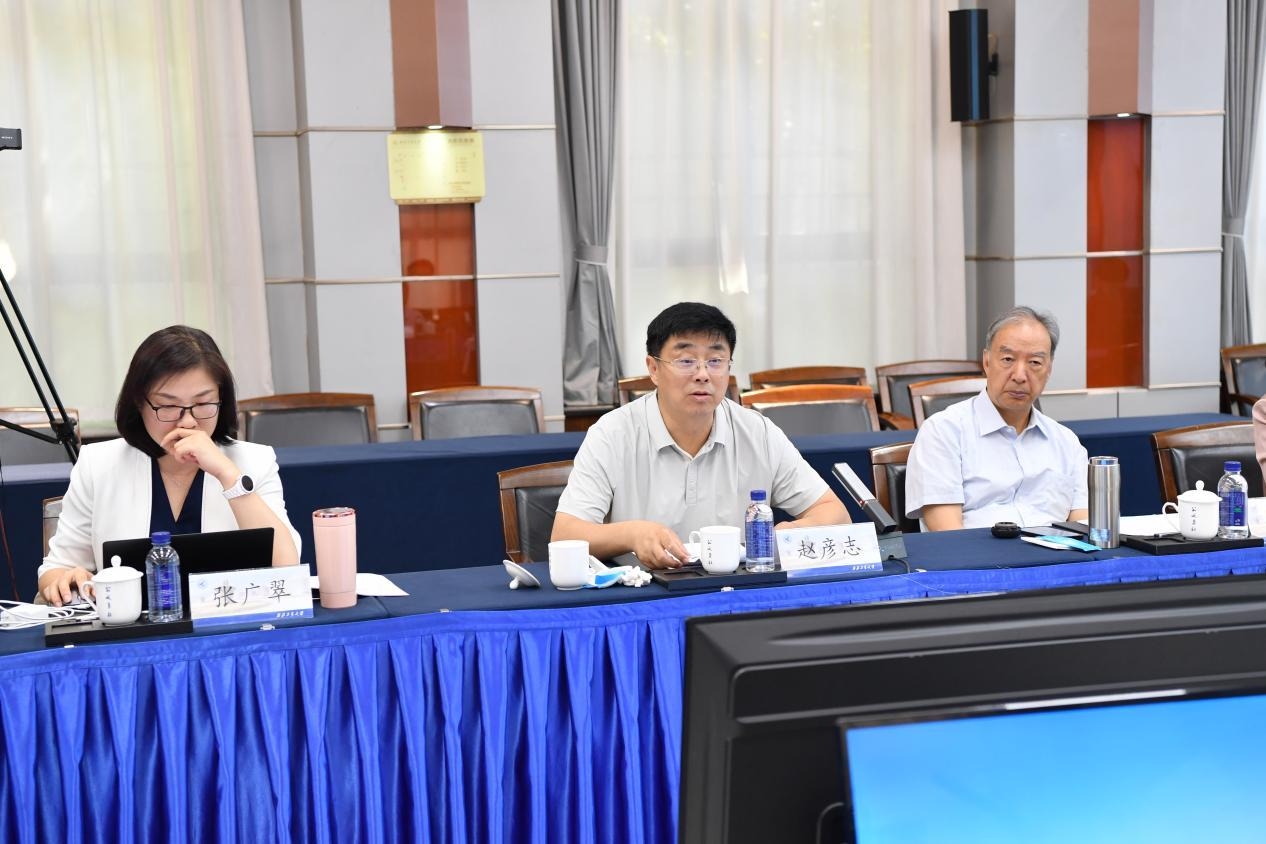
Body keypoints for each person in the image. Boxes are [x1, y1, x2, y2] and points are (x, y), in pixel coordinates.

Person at [552, 302, 849, 569]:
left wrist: (794, 532)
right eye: (686, 361)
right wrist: (632, 534)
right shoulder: (612, 433)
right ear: (653, 368)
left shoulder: (757, 431)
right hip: (644, 594)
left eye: (715, 361)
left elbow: (834, 513)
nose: (703, 374)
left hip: (736, 592)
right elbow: (564, 534)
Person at [38, 325, 302, 605]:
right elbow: (56, 569)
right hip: (131, 629)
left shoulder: (254, 461)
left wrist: (227, 474)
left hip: (230, 626)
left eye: (203, 403)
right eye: (168, 406)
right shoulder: (98, 464)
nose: (187, 421)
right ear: (139, 404)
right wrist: (65, 580)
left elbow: (287, 569)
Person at [905, 306, 1089, 530]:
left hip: (1056, 553)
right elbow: (947, 534)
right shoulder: (943, 432)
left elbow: (1085, 528)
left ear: (1048, 369)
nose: (1020, 376)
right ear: (986, 362)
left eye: (1035, 362)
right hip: (977, 552)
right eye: (1008, 359)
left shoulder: (1066, 443)